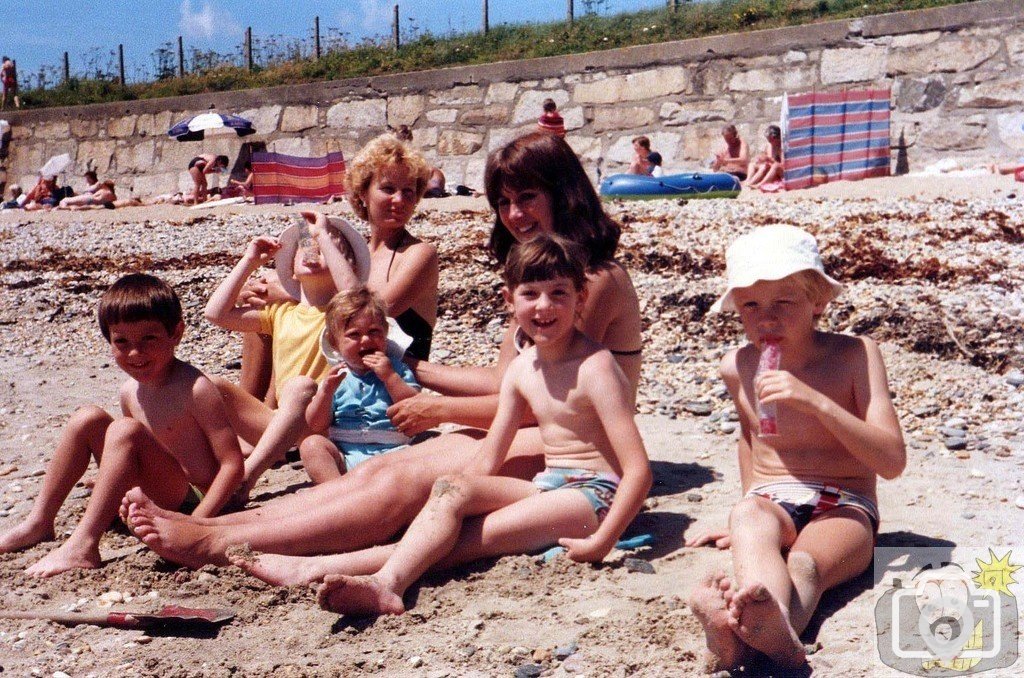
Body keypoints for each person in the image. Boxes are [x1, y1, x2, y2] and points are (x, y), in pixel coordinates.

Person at [116, 131, 642, 573]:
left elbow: (539, 401)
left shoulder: (588, 281)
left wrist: (437, 408)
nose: (512, 214)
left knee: (403, 478)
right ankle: (214, 526)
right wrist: (417, 370)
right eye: (503, 201)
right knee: (376, 474)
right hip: (532, 432)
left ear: (564, 193)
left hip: (575, 456)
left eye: (526, 197)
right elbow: (509, 380)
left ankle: (216, 543)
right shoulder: (551, 279)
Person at [289, 234, 652, 616]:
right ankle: (334, 566)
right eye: (531, 294)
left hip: (595, 496)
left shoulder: (596, 368)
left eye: (559, 293)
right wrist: (443, 502)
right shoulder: (522, 368)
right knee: (452, 493)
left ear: (580, 298)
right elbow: (487, 459)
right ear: (509, 300)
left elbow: (638, 471)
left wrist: (602, 540)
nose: (544, 306)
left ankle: (375, 582)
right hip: (550, 486)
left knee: (472, 540)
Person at [685, 225, 905, 669]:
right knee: (749, 518)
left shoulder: (856, 355)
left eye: (783, 302)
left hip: (844, 502)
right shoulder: (738, 365)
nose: (766, 319)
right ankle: (761, 627)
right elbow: (750, 440)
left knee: (805, 566)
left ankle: (766, 632)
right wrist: (747, 513)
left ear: (817, 302)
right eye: (750, 305)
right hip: (772, 497)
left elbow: (892, 460)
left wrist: (816, 402)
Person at [0, 274, 244, 577]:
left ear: (176, 333)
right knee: (87, 417)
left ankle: (84, 545)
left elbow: (233, 465)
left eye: (149, 339)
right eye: (122, 342)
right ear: (109, 341)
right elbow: (136, 451)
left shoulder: (195, 389)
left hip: (194, 501)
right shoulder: (130, 390)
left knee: (124, 429)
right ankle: (39, 521)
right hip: (153, 494)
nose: (135, 353)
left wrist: (195, 522)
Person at [238, 134, 437, 410]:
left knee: (285, 306)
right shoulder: (357, 255)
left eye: (408, 192)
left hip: (387, 383)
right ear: (362, 194)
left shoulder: (419, 254)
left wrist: (285, 291)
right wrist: (272, 291)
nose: (399, 200)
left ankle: (264, 418)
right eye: (388, 189)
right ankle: (261, 409)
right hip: (346, 369)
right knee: (271, 317)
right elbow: (318, 298)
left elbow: (371, 312)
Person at [203, 213, 366, 498]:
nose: (313, 250)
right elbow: (215, 314)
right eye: (305, 246)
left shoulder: (342, 315)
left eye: (325, 248)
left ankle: (248, 474)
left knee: (300, 386)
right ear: (289, 269)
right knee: (212, 386)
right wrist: (250, 260)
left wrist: (324, 235)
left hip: (323, 424)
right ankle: (232, 457)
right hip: (281, 426)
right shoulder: (281, 313)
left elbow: (354, 295)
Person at [299, 287, 420, 483]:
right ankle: (336, 491)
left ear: (386, 334)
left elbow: (416, 408)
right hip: (348, 453)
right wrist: (326, 392)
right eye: (354, 335)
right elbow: (315, 424)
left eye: (374, 332)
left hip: (395, 451)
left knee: (430, 449)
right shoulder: (336, 377)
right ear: (335, 343)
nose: (365, 340)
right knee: (311, 445)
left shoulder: (396, 369)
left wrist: (390, 378)